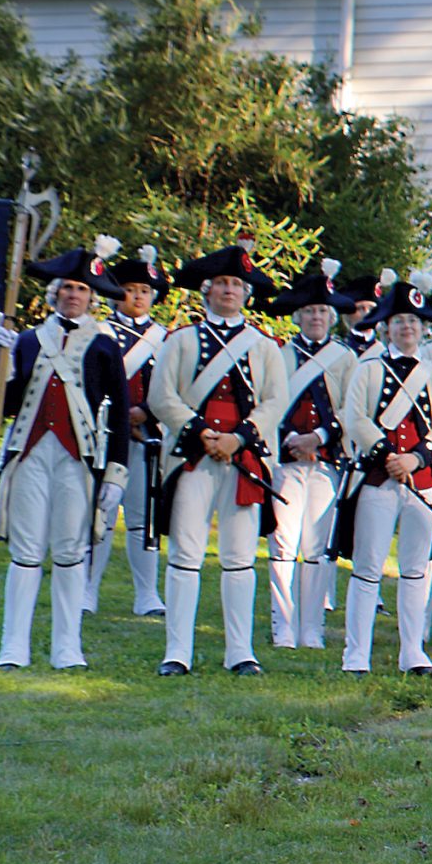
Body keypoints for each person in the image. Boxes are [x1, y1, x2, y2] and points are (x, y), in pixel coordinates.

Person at [0, 237, 130, 669]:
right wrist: (0, 359)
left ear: (91, 296)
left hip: (78, 460)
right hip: (30, 455)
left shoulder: (105, 345)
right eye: (67, 287)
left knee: (71, 554)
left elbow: (120, 413)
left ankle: (67, 647)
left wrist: (115, 475)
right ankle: (14, 646)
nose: (74, 294)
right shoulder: (27, 340)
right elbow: (5, 403)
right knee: (26, 552)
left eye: (82, 289)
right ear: (54, 293)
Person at [147, 237, 287, 676]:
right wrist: (202, 432)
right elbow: (160, 395)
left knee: (240, 558)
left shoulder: (263, 345)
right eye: (222, 283)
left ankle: (240, 653)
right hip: (194, 455)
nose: (229, 290)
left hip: (242, 458)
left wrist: (239, 438)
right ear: (207, 290)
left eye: (237, 284)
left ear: (247, 293)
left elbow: (275, 400)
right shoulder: (182, 339)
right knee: (185, 555)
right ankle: (177, 653)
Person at [334, 274, 432, 675]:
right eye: (400, 321)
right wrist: (389, 455)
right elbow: (355, 419)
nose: (407, 328)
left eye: (414, 322)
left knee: (416, 570)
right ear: (386, 326)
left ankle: (413, 653)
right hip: (378, 477)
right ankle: (356, 655)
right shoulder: (368, 369)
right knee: (367, 569)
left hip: (422, 480)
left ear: (423, 328)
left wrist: (417, 459)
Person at [262, 260, 358, 650]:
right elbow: (266, 403)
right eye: (309, 311)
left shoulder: (345, 357)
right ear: (298, 315)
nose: (316, 317)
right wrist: (291, 441)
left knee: (316, 548)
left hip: (325, 461)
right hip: (286, 459)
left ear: (331, 317)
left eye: (322, 311)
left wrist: (317, 437)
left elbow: (351, 410)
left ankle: (312, 629)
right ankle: (282, 627)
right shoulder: (278, 354)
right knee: (282, 546)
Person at [88, 244, 171, 618]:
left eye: (145, 291)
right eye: (130, 289)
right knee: (99, 515)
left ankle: (146, 595)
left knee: (143, 518)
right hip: (105, 436)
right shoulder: (98, 331)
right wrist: (121, 418)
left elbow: (173, 388)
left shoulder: (165, 338)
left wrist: (146, 414)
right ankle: (88, 591)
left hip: (146, 437)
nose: (137, 296)